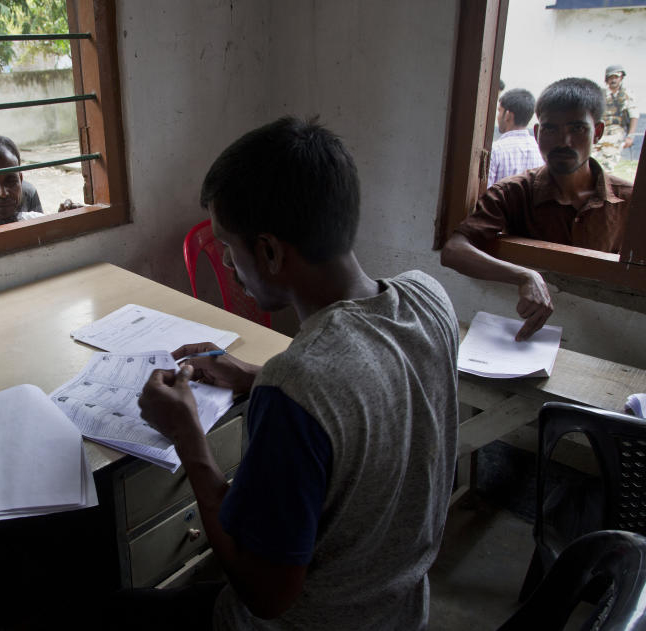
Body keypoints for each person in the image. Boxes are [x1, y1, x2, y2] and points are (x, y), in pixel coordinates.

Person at [131, 117, 460, 630]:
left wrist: (188, 437)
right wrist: (252, 375)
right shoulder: (428, 298)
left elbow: (266, 595)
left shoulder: (299, 385)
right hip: (398, 611)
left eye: (227, 244)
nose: (227, 260)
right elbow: (367, 386)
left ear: (268, 250)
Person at [442, 77, 633, 341]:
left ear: (598, 132)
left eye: (577, 128)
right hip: (526, 337)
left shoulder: (628, 200)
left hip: (603, 336)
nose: (563, 141)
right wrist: (524, 275)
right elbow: (453, 251)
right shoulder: (513, 192)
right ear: (536, 133)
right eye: (550, 129)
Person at [488, 88, 543, 186]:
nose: (498, 116)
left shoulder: (495, 150)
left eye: (499, 111)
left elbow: (484, 190)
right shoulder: (540, 149)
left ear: (508, 115)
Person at [593, 64, 639, 172]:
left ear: (621, 77)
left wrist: (630, 136)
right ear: (606, 79)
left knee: (608, 167)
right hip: (599, 130)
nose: (613, 80)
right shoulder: (600, 94)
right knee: (585, 160)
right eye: (610, 77)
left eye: (616, 77)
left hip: (616, 133)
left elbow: (634, 116)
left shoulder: (627, 95)